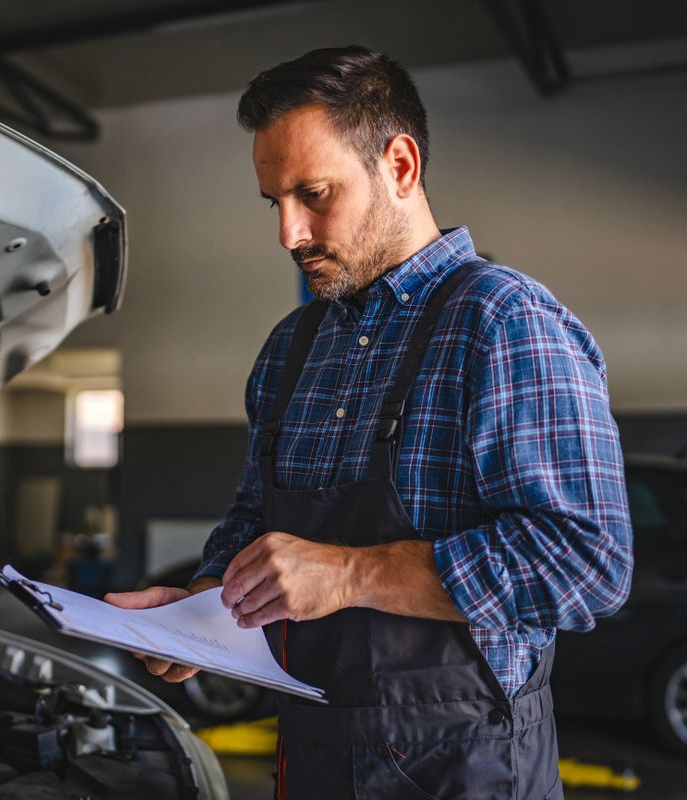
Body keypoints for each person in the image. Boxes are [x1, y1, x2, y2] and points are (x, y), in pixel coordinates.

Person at [107, 46, 633, 799]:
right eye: (275, 202)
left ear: (401, 165)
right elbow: (256, 514)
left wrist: (352, 574)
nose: (289, 233)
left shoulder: (504, 321)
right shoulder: (293, 346)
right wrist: (203, 608)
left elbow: (587, 563)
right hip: (315, 752)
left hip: (465, 767)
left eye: (314, 193)